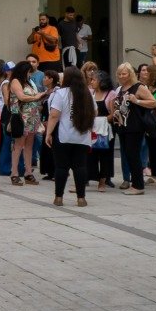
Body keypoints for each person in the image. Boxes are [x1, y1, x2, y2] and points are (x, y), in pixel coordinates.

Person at [46, 66, 94, 207]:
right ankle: (81, 198)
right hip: (82, 136)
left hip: (64, 135)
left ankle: (58, 197)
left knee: (61, 167)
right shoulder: (87, 94)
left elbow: (54, 115)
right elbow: (94, 113)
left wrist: (48, 133)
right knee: (80, 167)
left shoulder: (61, 93)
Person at [111, 63, 156, 195]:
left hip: (135, 127)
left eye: (124, 73)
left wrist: (137, 101)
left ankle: (138, 185)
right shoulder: (121, 88)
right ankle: (135, 183)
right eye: (119, 74)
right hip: (122, 127)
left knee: (133, 155)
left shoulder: (139, 87)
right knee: (128, 155)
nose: (121, 76)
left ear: (130, 74)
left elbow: (153, 102)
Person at [8, 61, 43, 186]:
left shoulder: (28, 82)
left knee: (29, 145)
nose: (30, 74)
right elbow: (21, 97)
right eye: (28, 71)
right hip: (21, 117)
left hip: (32, 117)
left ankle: (28, 172)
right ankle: (14, 173)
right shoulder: (15, 81)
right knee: (19, 145)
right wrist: (37, 97)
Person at [85, 64, 116, 191]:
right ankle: (90, 177)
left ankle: (103, 181)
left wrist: (100, 120)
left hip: (105, 129)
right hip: (91, 129)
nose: (91, 82)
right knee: (90, 154)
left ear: (101, 81)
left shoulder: (111, 94)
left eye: (93, 80)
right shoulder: (90, 92)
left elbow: (113, 114)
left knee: (105, 155)